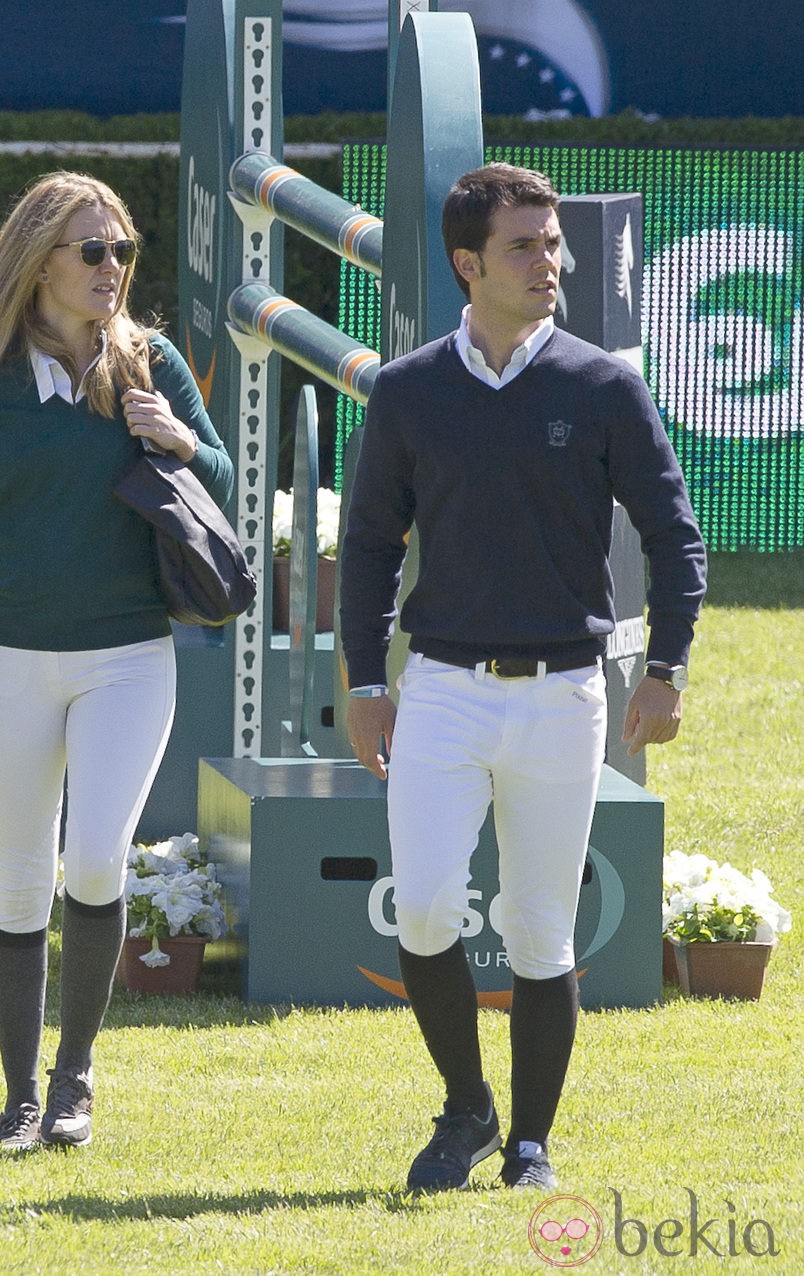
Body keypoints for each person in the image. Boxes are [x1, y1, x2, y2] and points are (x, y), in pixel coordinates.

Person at [340, 163, 706, 1192]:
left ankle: (530, 1143)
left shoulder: (601, 386)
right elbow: (368, 544)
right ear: (468, 264)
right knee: (419, 909)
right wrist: (366, 684)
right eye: (524, 246)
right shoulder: (408, 389)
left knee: (540, 929)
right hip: (442, 692)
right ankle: (465, 1108)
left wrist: (665, 666)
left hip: (563, 696)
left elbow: (674, 539)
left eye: (551, 244)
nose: (549, 261)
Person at [0, 171, 233, 1151]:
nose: (112, 267)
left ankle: (75, 1079)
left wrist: (178, 440)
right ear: (39, 262)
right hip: (8, 661)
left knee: (95, 857)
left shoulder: (149, 361)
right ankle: (18, 1095)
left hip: (127, 657)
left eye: (122, 249)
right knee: (20, 880)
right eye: (92, 250)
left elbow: (226, 477)